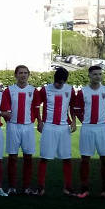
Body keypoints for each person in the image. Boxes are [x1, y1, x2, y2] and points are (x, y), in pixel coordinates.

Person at [32, 67, 77, 195]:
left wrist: (74, 121)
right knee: (44, 158)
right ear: (54, 79)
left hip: (64, 128)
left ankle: (68, 187)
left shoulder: (70, 89)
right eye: (57, 82)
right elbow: (36, 106)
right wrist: (39, 121)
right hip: (49, 127)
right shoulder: (45, 89)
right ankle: (40, 187)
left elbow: (73, 106)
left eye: (61, 83)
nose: (58, 85)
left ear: (65, 81)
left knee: (67, 158)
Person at [72, 65, 105, 199]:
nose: (98, 76)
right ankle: (84, 188)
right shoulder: (83, 92)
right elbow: (77, 109)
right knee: (85, 159)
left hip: (103, 128)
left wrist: (104, 120)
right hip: (87, 128)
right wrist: (85, 121)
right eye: (95, 74)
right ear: (89, 76)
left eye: (100, 74)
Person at [0, 65, 37, 195]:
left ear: (28, 75)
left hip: (28, 127)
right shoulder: (9, 90)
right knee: (12, 157)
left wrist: (39, 122)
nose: (23, 75)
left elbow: (36, 108)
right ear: (16, 75)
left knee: (28, 158)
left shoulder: (33, 90)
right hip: (13, 126)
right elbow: (4, 110)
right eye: (20, 73)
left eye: (25, 73)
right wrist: (9, 121)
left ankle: (26, 187)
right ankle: (12, 187)